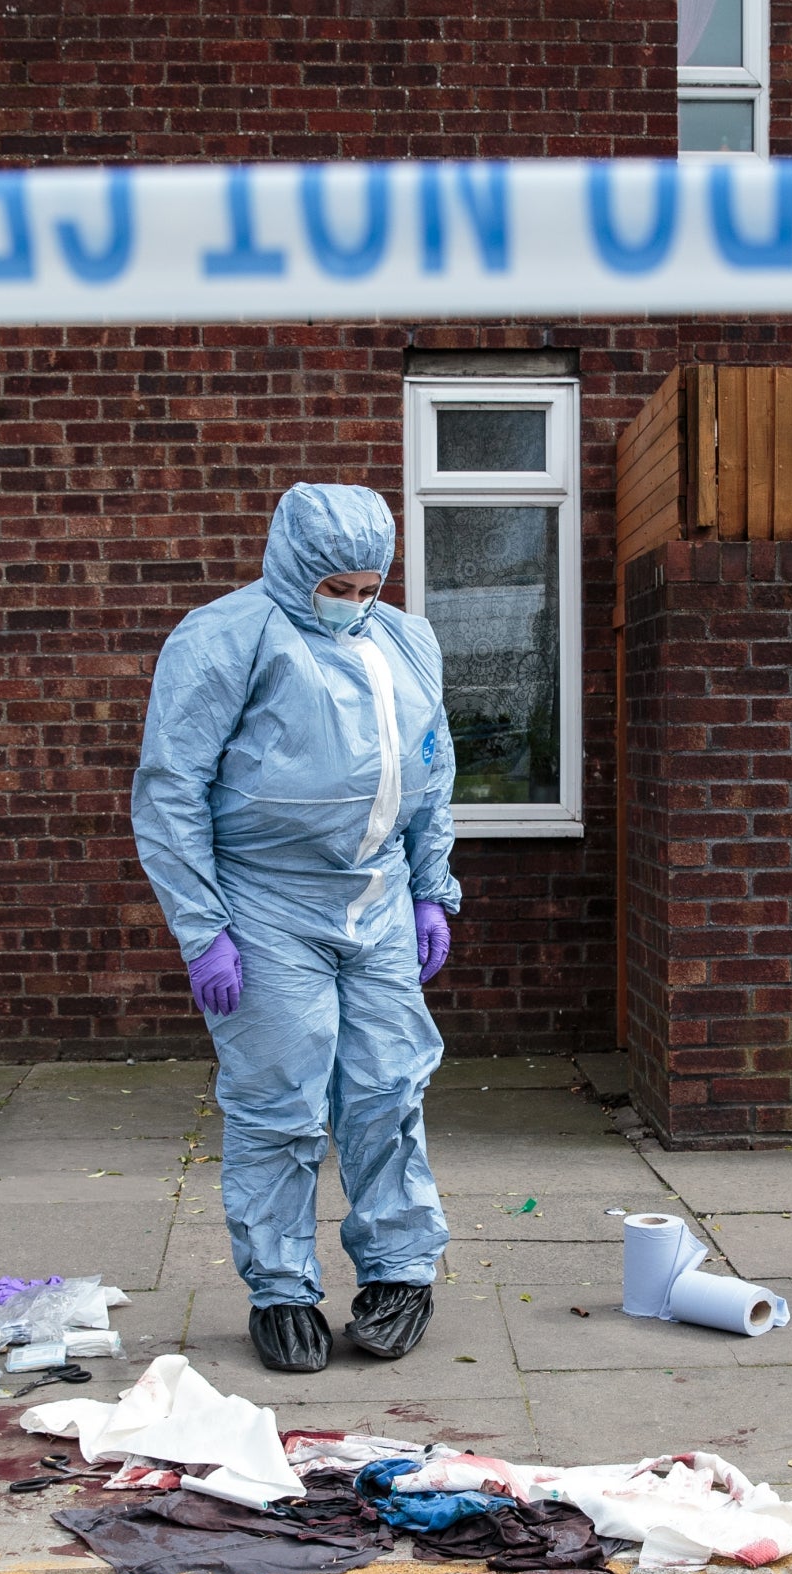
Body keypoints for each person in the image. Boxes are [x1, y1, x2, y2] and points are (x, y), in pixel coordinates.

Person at [131, 483, 461, 1371]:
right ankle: (280, 1288)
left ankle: (400, 1271)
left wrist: (432, 886)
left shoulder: (404, 640)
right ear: (296, 565)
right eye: (339, 586)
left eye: (369, 586)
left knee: (389, 1087)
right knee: (280, 1104)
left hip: (379, 896)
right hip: (267, 903)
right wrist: (203, 929)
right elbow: (171, 789)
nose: (354, 604)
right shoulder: (223, 638)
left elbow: (432, 766)